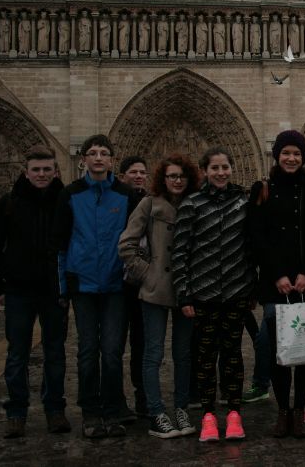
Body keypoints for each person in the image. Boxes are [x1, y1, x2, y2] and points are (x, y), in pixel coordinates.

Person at [247, 130, 305, 439]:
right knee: (278, 351)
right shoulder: (263, 189)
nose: (291, 158)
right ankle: (282, 411)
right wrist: (277, 275)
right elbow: (256, 235)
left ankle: (298, 410)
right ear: (277, 155)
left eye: (297, 154)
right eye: (286, 153)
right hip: (277, 284)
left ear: (303, 157)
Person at [53, 134, 141, 439]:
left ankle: (112, 411)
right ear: (83, 160)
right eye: (93, 153)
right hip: (83, 285)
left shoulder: (126, 195)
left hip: (116, 286)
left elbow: (137, 241)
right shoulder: (70, 194)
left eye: (104, 152)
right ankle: (90, 412)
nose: (99, 157)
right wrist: (63, 288)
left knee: (113, 352)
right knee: (88, 351)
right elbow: (60, 245)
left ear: (112, 160)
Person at [0, 145, 71, 439]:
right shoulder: (7, 204)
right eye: (36, 169)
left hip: (54, 291)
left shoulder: (66, 202)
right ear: (26, 172)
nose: (42, 174)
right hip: (18, 291)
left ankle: (55, 410)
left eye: (47, 169)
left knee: (55, 352)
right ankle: (16, 413)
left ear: (56, 171)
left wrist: (69, 285)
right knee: (17, 354)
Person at [172, 147, 254, 442]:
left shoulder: (243, 201)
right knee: (205, 356)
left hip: (236, 291)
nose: (221, 173)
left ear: (232, 168)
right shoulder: (191, 203)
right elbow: (180, 251)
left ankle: (233, 414)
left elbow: (251, 247)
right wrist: (184, 294)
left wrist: (252, 287)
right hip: (203, 294)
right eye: (215, 168)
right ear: (204, 171)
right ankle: (208, 415)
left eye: (225, 167)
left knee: (233, 354)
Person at [118, 154, 201, 439]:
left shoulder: (195, 204)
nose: (177, 181)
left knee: (183, 354)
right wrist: (148, 273)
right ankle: (156, 413)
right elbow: (126, 244)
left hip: (187, 290)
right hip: (156, 289)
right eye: (172, 176)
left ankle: (181, 408)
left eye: (182, 176)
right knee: (153, 353)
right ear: (162, 179)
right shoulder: (148, 204)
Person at [117, 155, 150, 420]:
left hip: (140, 283)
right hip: (115, 282)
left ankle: (143, 395)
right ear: (121, 175)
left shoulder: (150, 202)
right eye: (133, 172)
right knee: (113, 344)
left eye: (142, 172)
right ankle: (116, 399)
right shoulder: (113, 200)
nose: (138, 176)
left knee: (142, 342)